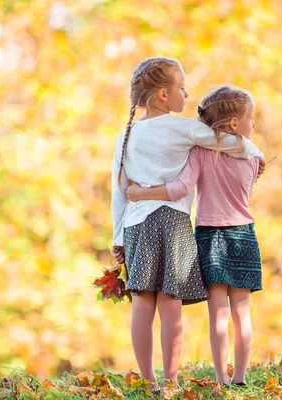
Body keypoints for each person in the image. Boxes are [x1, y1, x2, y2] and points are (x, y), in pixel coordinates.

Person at [111, 58, 264, 389]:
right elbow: (228, 141)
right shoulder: (185, 128)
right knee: (170, 302)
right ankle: (171, 379)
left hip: (137, 225)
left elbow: (119, 190)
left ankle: (148, 379)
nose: (186, 94)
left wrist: (118, 238)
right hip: (174, 223)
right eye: (182, 88)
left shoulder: (125, 135)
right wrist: (257, 154)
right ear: (164, 95)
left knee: (141, 302)